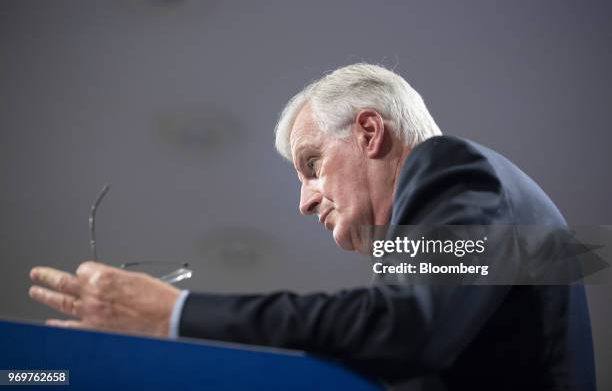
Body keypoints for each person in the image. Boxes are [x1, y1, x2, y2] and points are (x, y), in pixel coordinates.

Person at [29, 63, 595, 390]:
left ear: (370, 132)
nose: (304, 202)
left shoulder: (450, 169)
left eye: (311, 165)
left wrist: (171, 313)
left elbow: (408, 328)